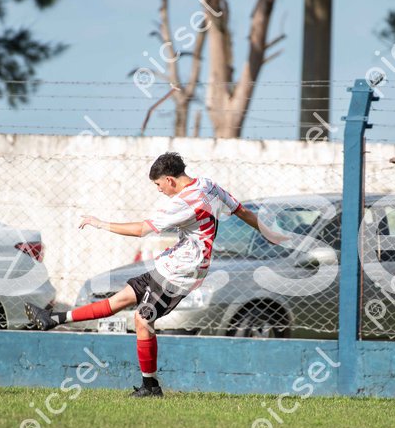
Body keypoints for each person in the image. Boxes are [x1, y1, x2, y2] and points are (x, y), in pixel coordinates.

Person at [25, 152, 283, 398]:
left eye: (159, 185)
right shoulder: (208, 185)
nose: (159, 190)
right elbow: (241, 211)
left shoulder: (182, 204)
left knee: (142, 319)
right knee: (120, 299)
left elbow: (141, 230)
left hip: (181, 272)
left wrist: (100, 223)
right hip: (171, 264)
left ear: (170, 180)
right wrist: (268, 233)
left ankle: (150, 386)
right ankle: (54, 319)